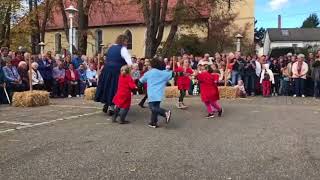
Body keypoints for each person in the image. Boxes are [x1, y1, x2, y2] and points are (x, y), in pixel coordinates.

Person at [95, 34, 133, 116]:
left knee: (107, 88)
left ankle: (108, 104)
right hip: (116, 72)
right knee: (115, 90)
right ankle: (112, 108)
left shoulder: (111, 48)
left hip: (107, 70)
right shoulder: (123, 49)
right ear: (123, 41)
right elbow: (129, 62)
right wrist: (129, 71)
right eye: (126, 41)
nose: (127, 43)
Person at [139, 58, 172, 128]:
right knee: (156, 108)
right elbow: (172, 74)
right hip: (159, 94)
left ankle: (165, 112)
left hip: (152, 94)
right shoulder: (163, 73)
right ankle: (153, 122)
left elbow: (140, 81)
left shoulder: (149, 73)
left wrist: (138, 86)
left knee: (152, 108)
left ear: (152, 65)